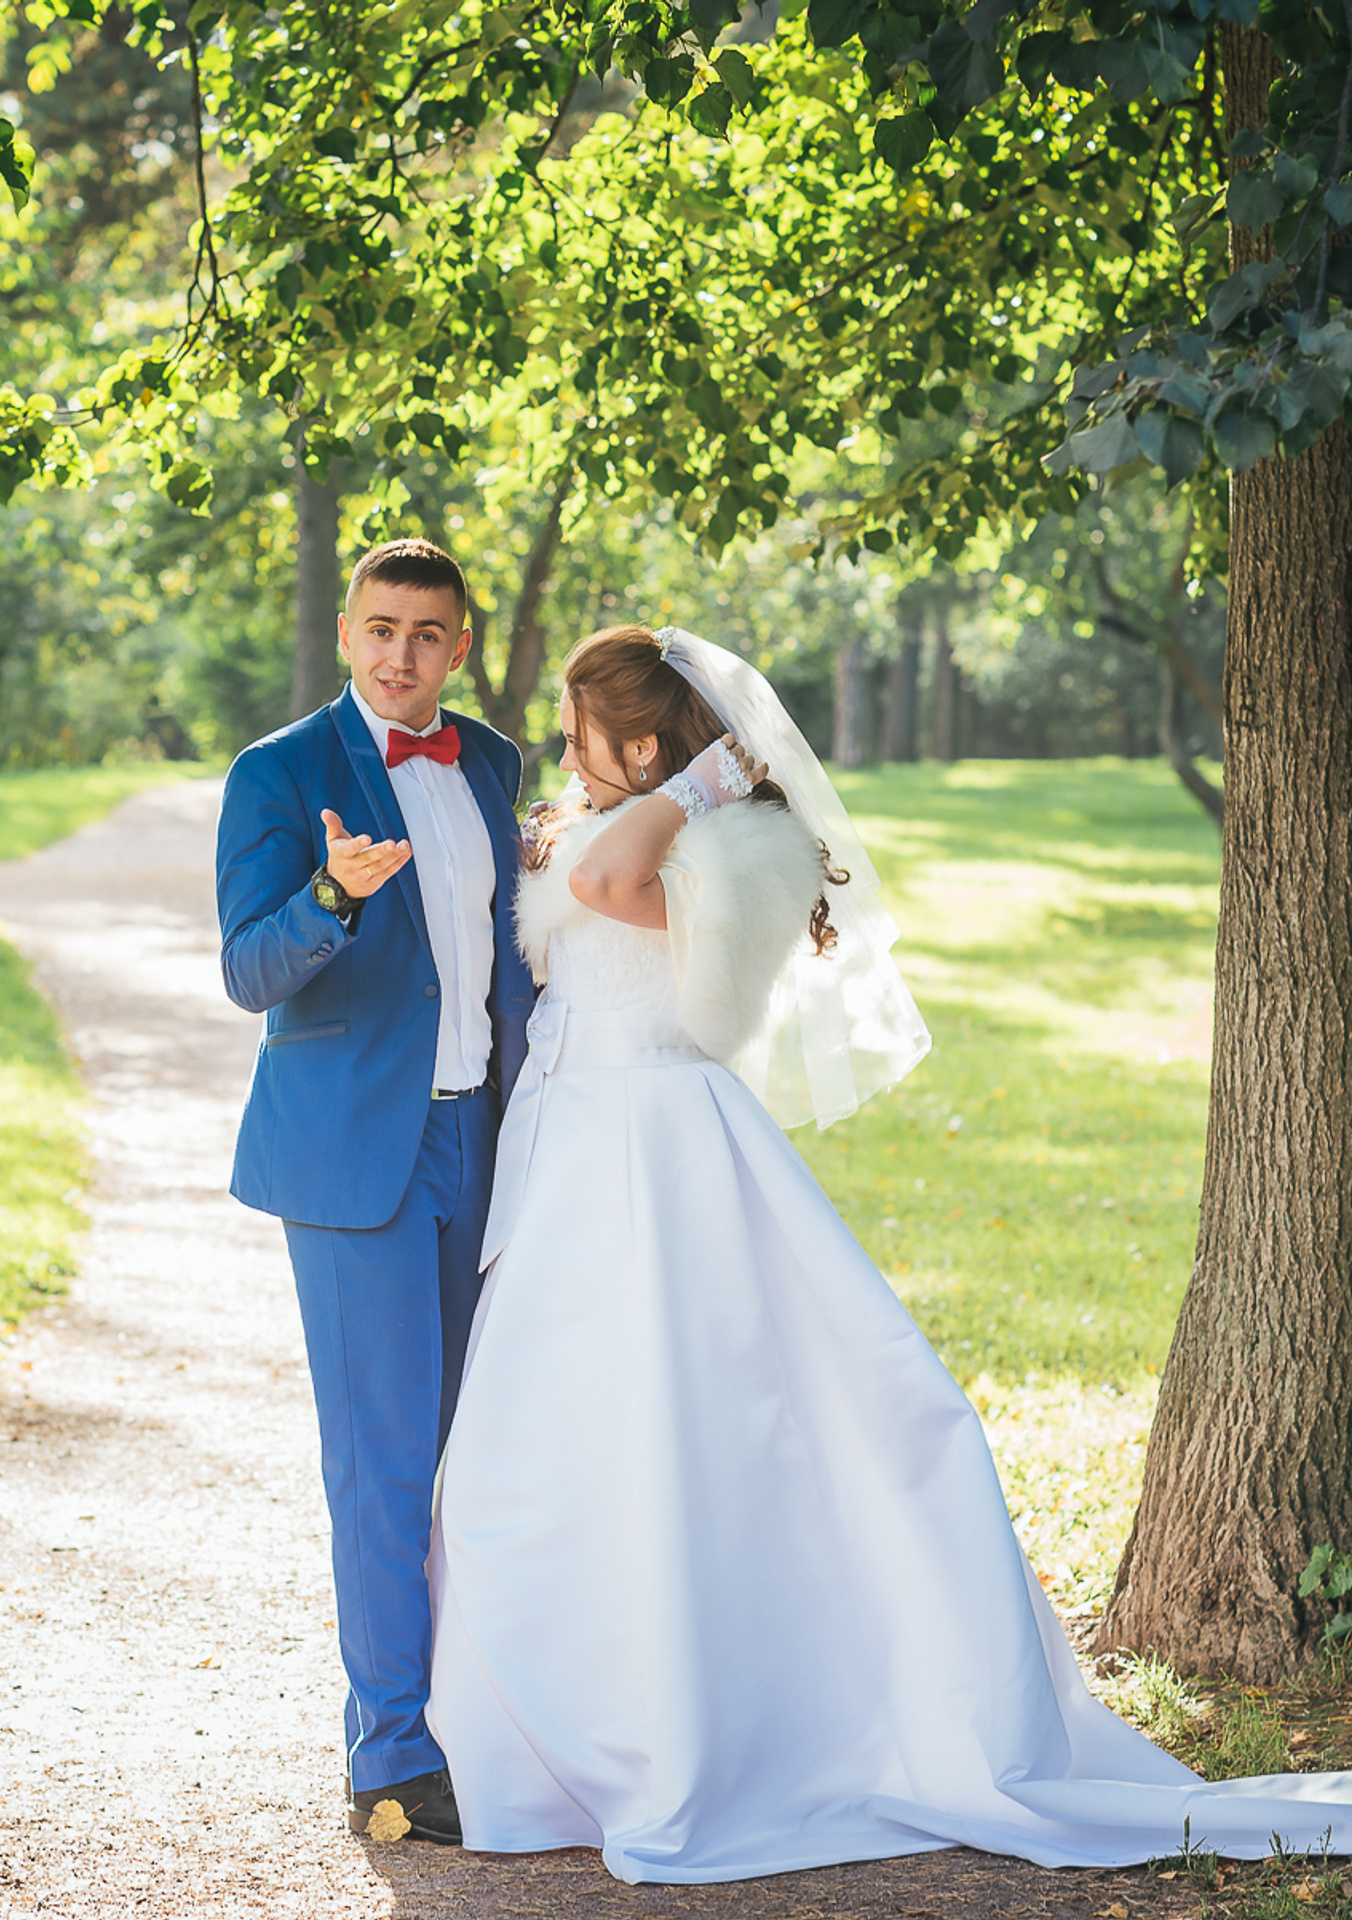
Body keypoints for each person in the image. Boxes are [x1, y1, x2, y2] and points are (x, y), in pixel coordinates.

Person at [424, 623, 1352, 1884]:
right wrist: (635, 793)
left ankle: (698, 1731)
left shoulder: (731, 842)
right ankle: (560, 1746)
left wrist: (697, 786)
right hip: (574, 1149)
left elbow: (603, 898)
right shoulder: (616, 819)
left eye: (590, 732)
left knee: (675, 1435)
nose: (566, 750)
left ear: (646, 744)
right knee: (535, 1457)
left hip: (655, 1154)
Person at [215, 538, 537, 1843]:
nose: (402, 656)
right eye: (381, 630)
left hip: (493, 1147)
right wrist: (331, 901)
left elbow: (517, 948)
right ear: (348, 633)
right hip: (359, 1158)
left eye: (428, 635)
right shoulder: (280, 773)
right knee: (385, 1460)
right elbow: (249, 968)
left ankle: (475, 1710)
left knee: (481, 1452)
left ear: (460, 645)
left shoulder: (499, 765)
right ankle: (392, 1751)